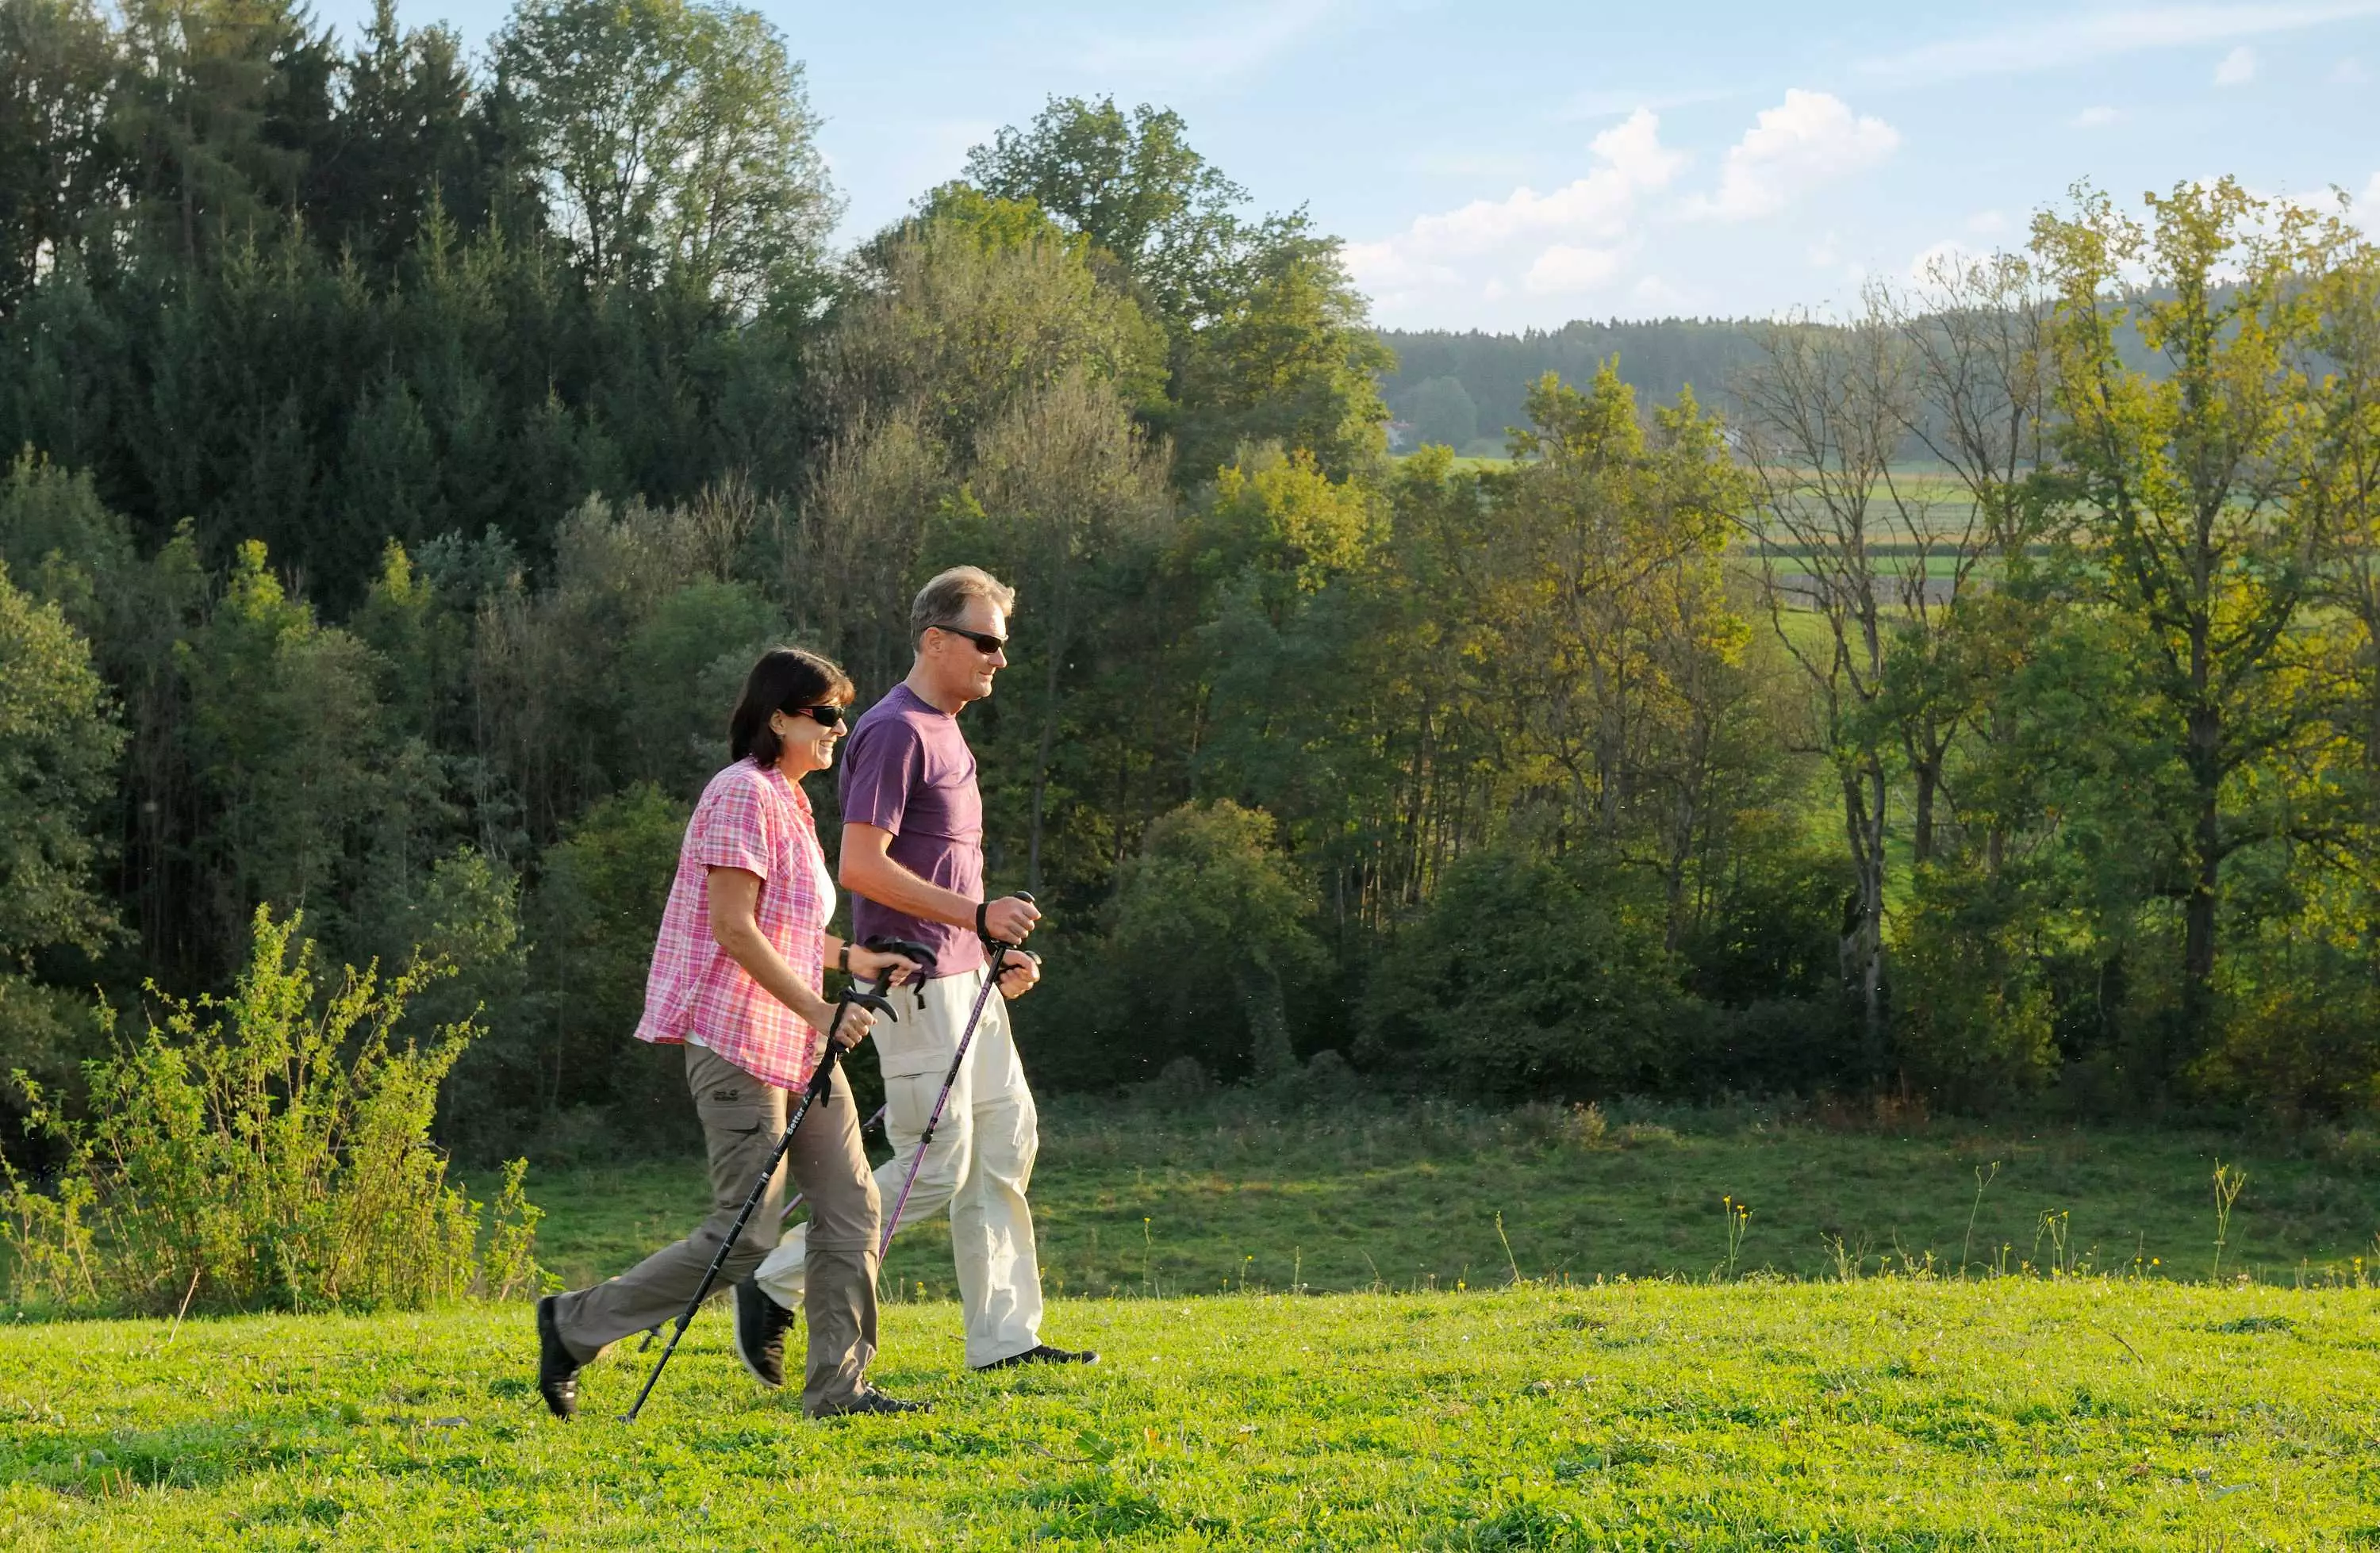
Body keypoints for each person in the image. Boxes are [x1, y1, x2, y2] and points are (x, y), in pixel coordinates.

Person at [536, 648, 926, 1420]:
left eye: (843, 714)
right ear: (779, 716)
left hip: (798, 1043)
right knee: (744, 1237)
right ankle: (573, 1322)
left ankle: (838, 1389)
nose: (840, 730)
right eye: (827, 715)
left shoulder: (791, 800)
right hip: (738, 1039)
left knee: (851, 1207)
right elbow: (734, 928)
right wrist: (821, 1009)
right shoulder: (739, 793)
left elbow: (791, 929)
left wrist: (859, 957)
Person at [752, 567, 1096, 1372]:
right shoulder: (894, 729)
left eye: (1004, 644)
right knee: (936, 1163)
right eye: (985, 641)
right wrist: (974, 920)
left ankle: (1006, 1339)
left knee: (1006, 1144)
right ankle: (771, 1281)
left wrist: (991, 948)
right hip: (913, 982)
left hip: (965, 977)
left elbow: (943, 876)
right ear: (935, 638)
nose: (998, 658)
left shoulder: (950, 731)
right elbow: (861, 867)